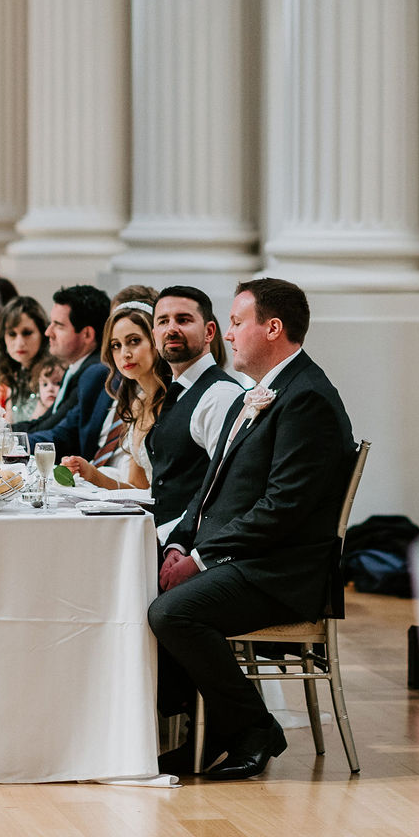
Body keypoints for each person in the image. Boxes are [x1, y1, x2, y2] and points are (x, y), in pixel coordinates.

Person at [152, 278, 354, 781]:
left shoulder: (307, 398)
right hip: (246, 556)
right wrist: (181, 542)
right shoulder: (263, 391)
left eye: (238, 322)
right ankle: (209, 730)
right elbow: (213, 481)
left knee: (173, 613)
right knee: (147, 586)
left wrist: (200, 560)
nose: (232, 334)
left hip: (281, 570)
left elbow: (283, 507)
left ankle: (252, 728)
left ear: (273, 327)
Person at [144, 286, 244, 534]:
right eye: (163, 321)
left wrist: (173, 541)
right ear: (154, 333)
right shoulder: (177, 390)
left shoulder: (220, 395)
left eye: (183, 320)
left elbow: (225, 490)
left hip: (187, 544)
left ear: (209, 331)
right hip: (159, 532)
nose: (172, 329)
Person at [62, 300, 169, 489]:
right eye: (116, 345)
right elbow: (138, 489)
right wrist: (90, 473)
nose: (124, 353)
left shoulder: (174, 402)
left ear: (155, 340)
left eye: (134, 341)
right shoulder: (137, 405)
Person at [25, 285, 113, 459]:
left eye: (58, 325)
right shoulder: (75, 367)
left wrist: (7, 441)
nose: (48, 332)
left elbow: (59, 433)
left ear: (87, 334)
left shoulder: (94, 372)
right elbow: (43, 422)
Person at [0, 295, 50, 425]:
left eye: (27, 333)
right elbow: (7, 426)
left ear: (42, 334)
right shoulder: (15, 373)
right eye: (12, 334)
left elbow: (36, 426)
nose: (19, 343)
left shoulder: (50, 374)